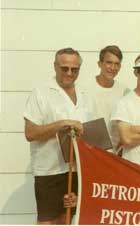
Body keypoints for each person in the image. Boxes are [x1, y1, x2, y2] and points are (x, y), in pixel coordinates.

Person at [23, 48, 95, 224]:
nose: (69, 73)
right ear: (55, 66)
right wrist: (62, 124)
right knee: (48, 222)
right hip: (50, 171)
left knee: (68, 220)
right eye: (64, 68)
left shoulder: (86, 95)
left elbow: (91, 135)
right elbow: (30, 133)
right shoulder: (41, 93)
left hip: (76, 170)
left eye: (74, 69)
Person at [81, 45, 130, 150]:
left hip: (115, 153)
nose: (112, 68)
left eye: (116, 64)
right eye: (109, 63)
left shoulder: (124, 91)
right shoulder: (83, 89)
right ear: (100, 64)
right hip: (90, 150)